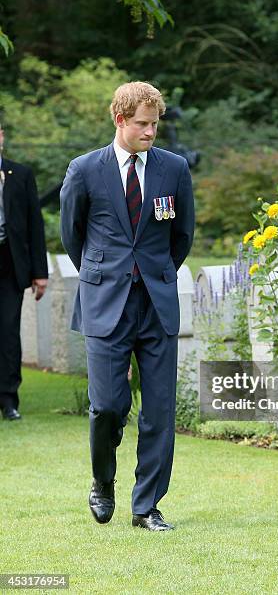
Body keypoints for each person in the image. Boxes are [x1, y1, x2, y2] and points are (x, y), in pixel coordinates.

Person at [60, 81, 195, 532]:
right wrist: (106, 273)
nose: (150, 132)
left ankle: (146, 507)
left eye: (155, 124)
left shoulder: (173, 170)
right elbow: (72, 235)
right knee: (108, 406)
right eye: (141, 123)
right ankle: (103, 480)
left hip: (156, 303)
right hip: (105, 303)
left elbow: (183, 236)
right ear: (119, 120)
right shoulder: (84, 170)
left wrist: (155, 274)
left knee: (158, 410)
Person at [0, 123, 48, 421]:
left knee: (7, 331)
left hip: (9, 262)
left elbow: (35, 225)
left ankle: (7, 399)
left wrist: (39, 272)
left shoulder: (21, 175)